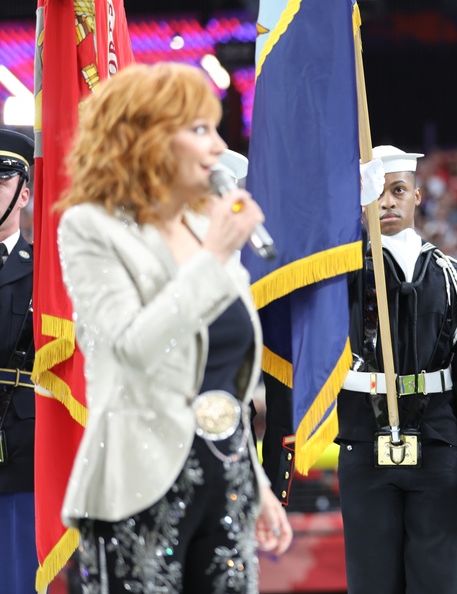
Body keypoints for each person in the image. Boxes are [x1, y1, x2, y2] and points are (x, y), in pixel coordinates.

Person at [55, 62, 292, 593]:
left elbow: (222, 382)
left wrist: (254, 484)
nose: (217, 146)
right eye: (199, 129)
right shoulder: (91, 229)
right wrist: (213, 257)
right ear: (146, 139)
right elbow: (135, 347)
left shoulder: (207, 227)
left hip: (224, 479)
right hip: (137, 484)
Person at [339, 144, 457, 594]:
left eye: (398, 190)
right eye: (376, 193)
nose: (387, 201)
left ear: (418, 195)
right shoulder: (340, 277)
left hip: (437, 449)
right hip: (363, 448)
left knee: (440, 585)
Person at [0, 129, 37, 594]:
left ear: (24, 193)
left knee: (14, 577)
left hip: (17, 450)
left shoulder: (43, 270)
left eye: (2, 180)